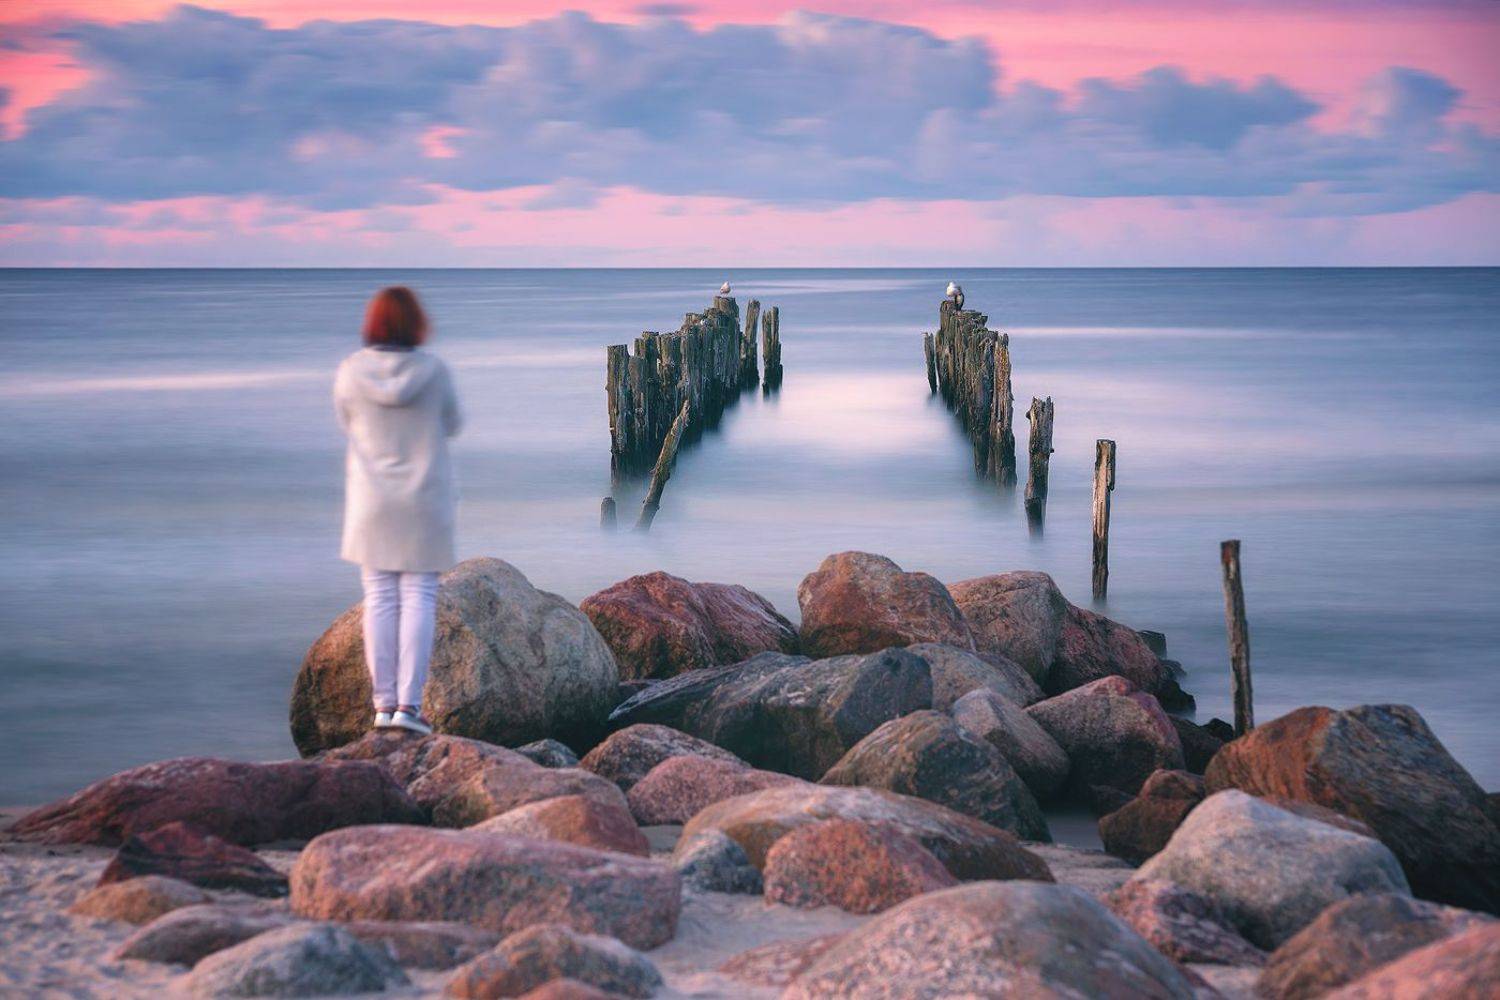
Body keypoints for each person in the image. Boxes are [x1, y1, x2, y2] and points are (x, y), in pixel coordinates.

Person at [334, 286, 462, 735]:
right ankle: (410, 708)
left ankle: (382, 706)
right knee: (419, 598)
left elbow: (345, 421)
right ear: (416, 323)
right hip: (423, 500)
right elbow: (453, 423)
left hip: (372, 503)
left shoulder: (351, 371)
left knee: (380, 598)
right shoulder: (434, 371)